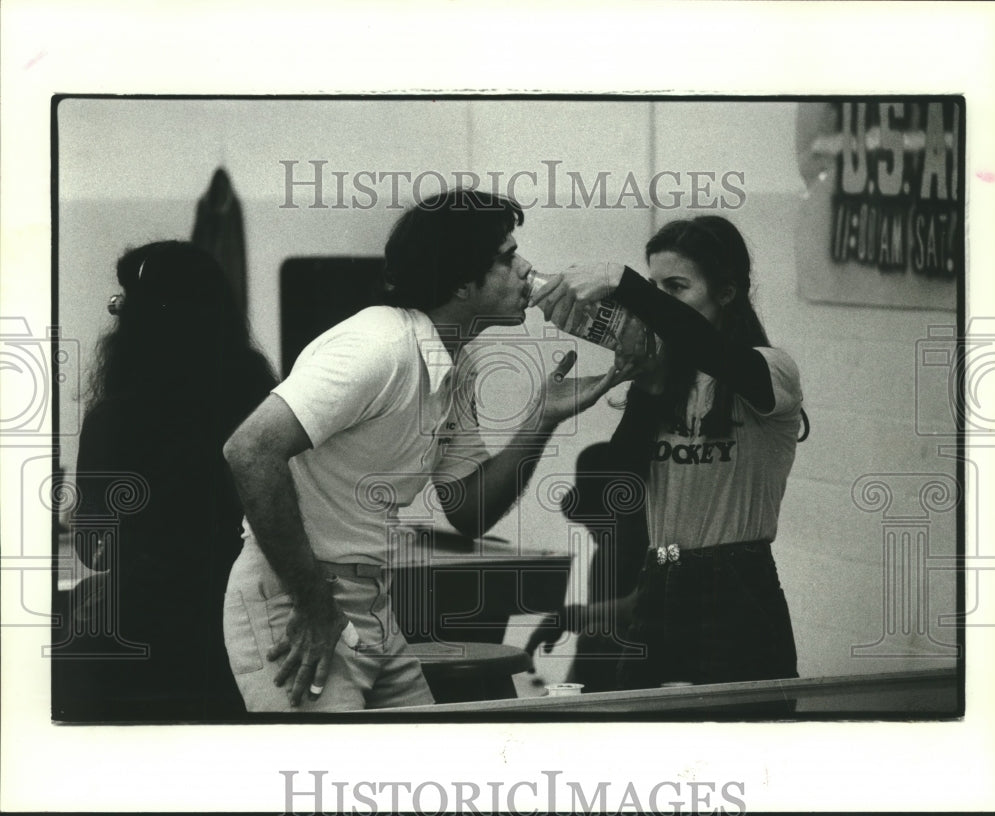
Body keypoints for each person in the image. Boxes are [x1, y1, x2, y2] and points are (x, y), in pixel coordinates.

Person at [222, 189, 629, 712]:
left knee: (419, 769)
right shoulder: (379, 347)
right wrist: (313, 602)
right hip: (295, 601)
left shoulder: (453, 364)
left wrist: (542, 418)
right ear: (461, 281)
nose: (526, 268)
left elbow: (467, 509)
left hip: (365, 601)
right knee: (330, 785)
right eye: (507, 257)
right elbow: (249, 449)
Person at [531, 215, 801, 688]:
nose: (658, 303)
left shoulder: (770, 368)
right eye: (654, 286)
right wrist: (644, 390)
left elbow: (712, 351)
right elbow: (616, 492)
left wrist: (626, 284)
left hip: (737, 583)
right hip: (660, 578)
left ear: (726, 294)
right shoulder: (664, 380)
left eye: (675, 288)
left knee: (743, 736)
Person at [57, 241, 277, 721]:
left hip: (144, 632)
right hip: (247, 625)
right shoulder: (261, 403)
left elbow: (96, 547)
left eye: (120, 304)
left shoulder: (113, 418)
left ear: (136, 322)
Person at [524, 442, 650, 692]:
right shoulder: (603, 560)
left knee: (599, 638)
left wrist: (568, 618)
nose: (593, 534)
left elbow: (644, 606)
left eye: (603, 524)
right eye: (589, 523)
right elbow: (590, 639)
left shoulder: (666, 550)